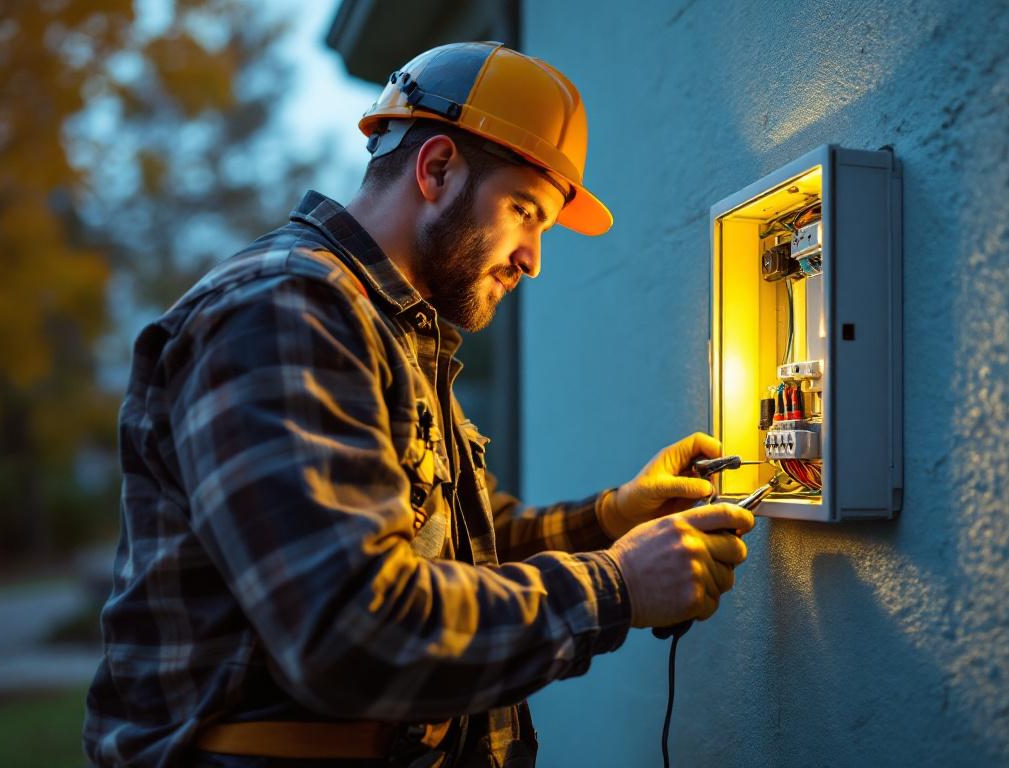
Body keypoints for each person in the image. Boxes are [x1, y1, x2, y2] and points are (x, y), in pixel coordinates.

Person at [83, 41, 752, 767]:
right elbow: (352, 635)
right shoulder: (282, 311)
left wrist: (615, 518)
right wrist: (617, 585)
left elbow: (470, 550)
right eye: (524, 211)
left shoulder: (388, 330)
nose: (534, 258)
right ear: (436, 169)